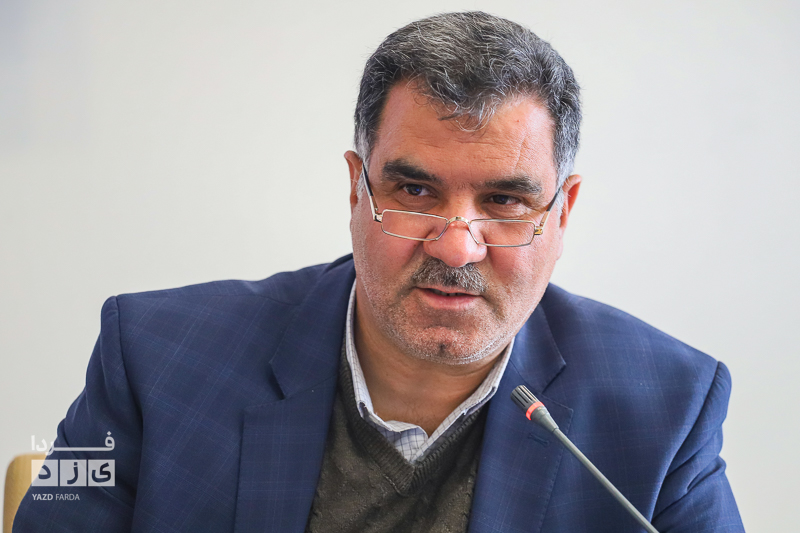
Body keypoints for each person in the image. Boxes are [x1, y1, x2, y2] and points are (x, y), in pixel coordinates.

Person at [15, 11, 744, 533]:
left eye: (505, 202)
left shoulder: (665, 408)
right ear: (356, 191)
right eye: (415, 191)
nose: (456, 247)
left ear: (563, 213)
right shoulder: (156, 357)